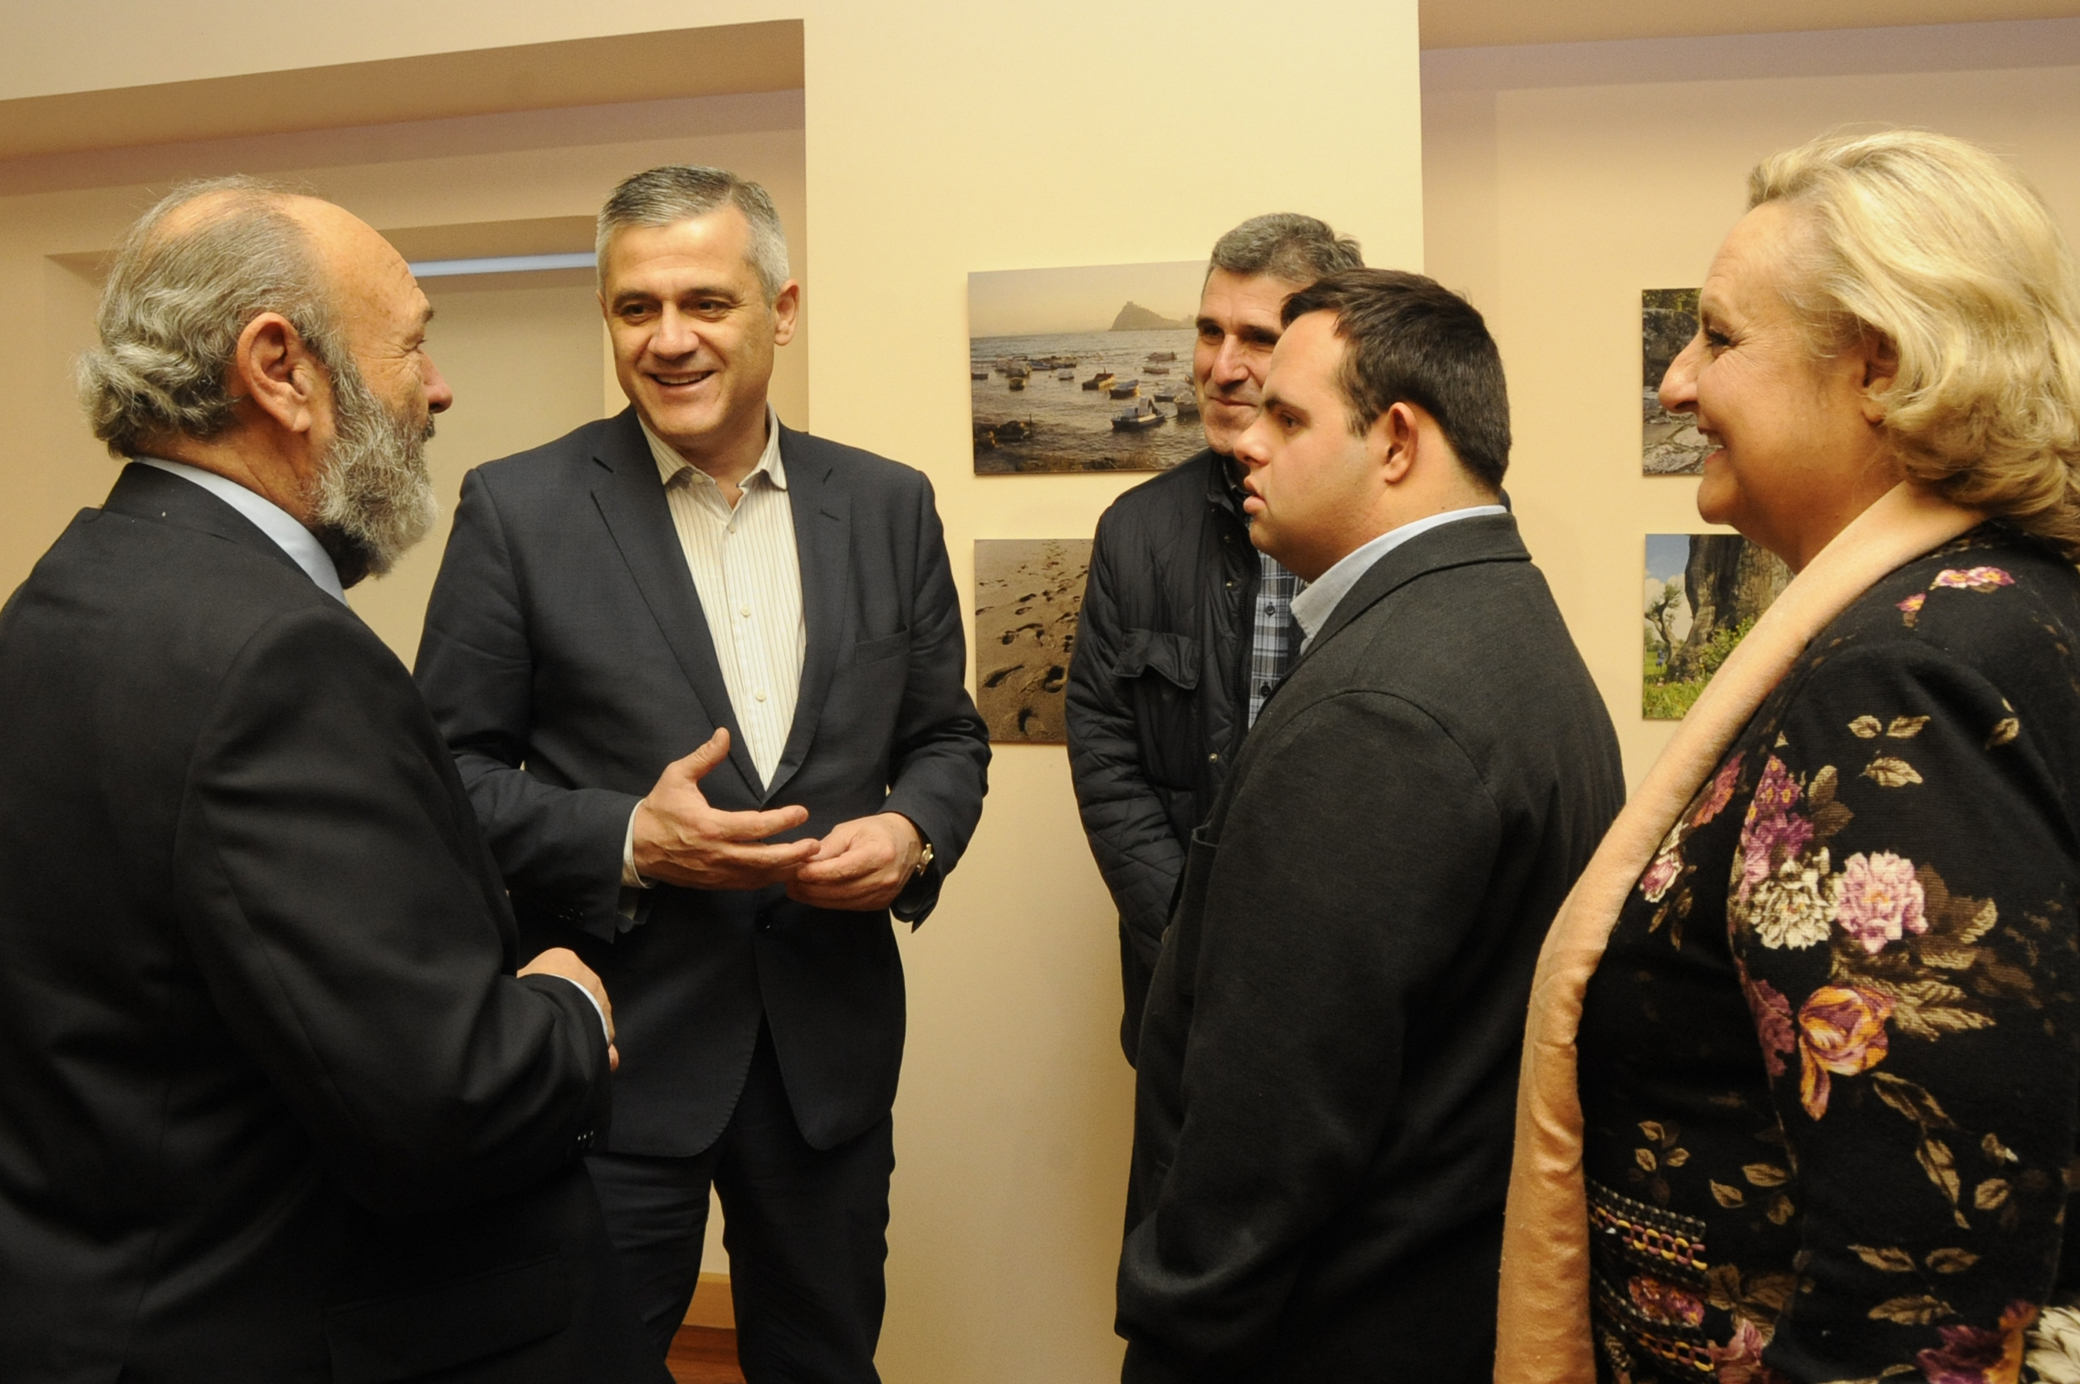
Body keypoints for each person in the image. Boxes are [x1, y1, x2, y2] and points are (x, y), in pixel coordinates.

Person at [0, 178, 659, 1382]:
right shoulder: (278, 658)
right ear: (280, 369)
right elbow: (442, 1102)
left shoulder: (57, 597)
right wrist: (568, 1011)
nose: (436, 389)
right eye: (411, 343)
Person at [1497, 129, 2080, 1384]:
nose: (1674, 384)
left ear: (1878, 366)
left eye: (1716, 336)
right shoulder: (1998, 608)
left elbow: (1920, 1275)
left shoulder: (1905, 671)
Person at [415, 165, 989, 1380]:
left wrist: (910, 838)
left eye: (706, 303)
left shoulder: (887, 506)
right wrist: (629, 838)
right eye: (636, 307)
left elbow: (947, 737)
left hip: (828, 1060)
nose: (668, 339)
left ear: (781, 309)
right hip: (618, 1060)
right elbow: (444, 776)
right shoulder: (517, 509)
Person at [1116, 268, 1624, 1382]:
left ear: (1395, 441)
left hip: (1335, 1329)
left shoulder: (1379, 708)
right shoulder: (1502, 614)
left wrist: (1173, 1331)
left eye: (1288, 418)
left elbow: (1273, 1123)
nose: (1245, 443)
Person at [1066, 213, 1363, 1064]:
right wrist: (1189, 940)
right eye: (1208, 331)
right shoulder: (1135, 532)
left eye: (1258, 338)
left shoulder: (1382, 525)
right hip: (1179, 1004)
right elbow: (1104, 749)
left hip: (1351, 1003)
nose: (1221, 367)